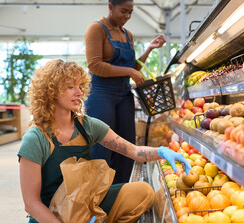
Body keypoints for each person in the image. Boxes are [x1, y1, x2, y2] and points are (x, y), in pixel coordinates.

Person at [18, 60, 191, 223]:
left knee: (143, 192)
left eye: (80, 86)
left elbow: (133, 151)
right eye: (70, 87)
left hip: (84, 203)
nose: (79, 92)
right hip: (51, 215)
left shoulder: (87, 126)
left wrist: (160, 151)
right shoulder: (35, 139)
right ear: (50, 92)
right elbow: (31, 203)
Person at [84, 0, 166, 184]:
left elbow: (133, 68)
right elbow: (95, 65)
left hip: (124, 96)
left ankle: (119, 192)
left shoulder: (127, 34)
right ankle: (98, 196)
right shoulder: (97, 29)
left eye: (130, 12)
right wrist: (129, 71)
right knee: (102, 147)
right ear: (110, 6)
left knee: (127, 147)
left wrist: (149, 50)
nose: (127, 16)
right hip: (101, 95)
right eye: (123, 11)